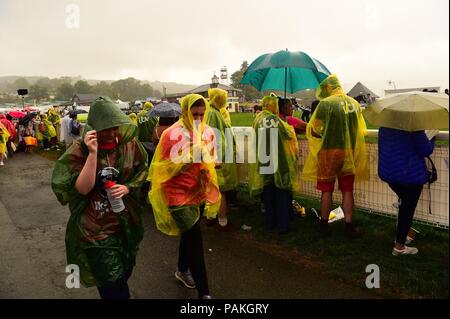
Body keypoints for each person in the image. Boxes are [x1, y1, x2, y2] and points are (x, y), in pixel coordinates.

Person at [52, 96, 148, 299]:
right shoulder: (81, 149)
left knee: (123, 271)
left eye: (115, 127)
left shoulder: (129, 145)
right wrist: (93, 154)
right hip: (95, 230)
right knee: (113, 285)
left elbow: (142, 170)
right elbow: (82, 189)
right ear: (94, 128)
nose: (111, 134)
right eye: (105, 129)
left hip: (125, 224)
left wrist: (128, 188)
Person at [148, 93, 221, 299]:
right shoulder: (172, 134)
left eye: (201, 114)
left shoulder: (207, 132)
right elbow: (160, 167)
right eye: (194, 113)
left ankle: (182, 268)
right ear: (185, 111)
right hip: (177, 194)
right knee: (195, 239)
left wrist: (211, 165)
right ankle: (204, 292)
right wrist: (186, 161)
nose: (198, 118)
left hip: (197, 191)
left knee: (191, 232)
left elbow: (211, 157)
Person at [302, 74, 369, 238]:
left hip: (329, 152)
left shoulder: (325, 104)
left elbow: (314, 129)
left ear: (328, 87)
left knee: (327, 190)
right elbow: (360, 130)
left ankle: (324, 226)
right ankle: (349, 226)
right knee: (347, 190)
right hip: (348, 152)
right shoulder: (354, 103)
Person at [378, 127, 436, 255]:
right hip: (410, 176)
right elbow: (426, 150)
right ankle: (399, 246)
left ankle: (405, 233)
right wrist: (432, 138)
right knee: (407, 209)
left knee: (404, 203)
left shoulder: (384, 125)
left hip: (389, 174)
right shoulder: (415, 126)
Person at [249, 93, 300, 234]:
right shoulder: (274, 119)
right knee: (281, 193)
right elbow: (288, 134)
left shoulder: (258, 118)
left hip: (263, 160)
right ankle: (283, 225)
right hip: (278, 161)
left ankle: (269, 222)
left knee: (268, 193)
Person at [205, 88, 239, 231]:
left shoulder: (214, 112)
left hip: (219, 156)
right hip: (219, 158)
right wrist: (217, 158)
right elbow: (213, 137)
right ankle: (221, 220)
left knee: (216, 188)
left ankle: (212, 217)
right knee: (220, 189)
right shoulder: (213, 113)